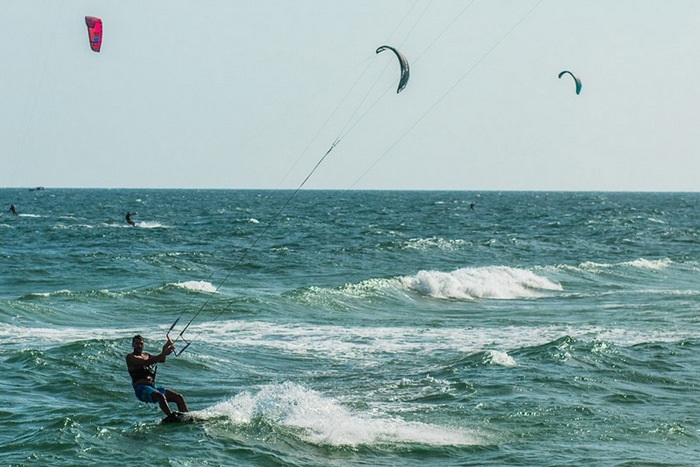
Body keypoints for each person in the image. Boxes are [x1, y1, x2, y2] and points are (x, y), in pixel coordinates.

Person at [126, 334, 189, 416]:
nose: (139, 346)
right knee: (160, 396)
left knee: (178, 397)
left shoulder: (146, 355)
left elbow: (162, 359)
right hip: (141, 389)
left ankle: (187, 417)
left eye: (141, 344)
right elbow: (146, 362)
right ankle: (170, 416)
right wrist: (165, 352)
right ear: (133, 345)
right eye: (137, 343)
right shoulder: (130, 357)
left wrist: (165, 348)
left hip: (152, 388)